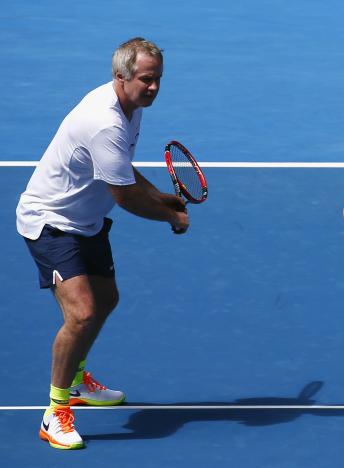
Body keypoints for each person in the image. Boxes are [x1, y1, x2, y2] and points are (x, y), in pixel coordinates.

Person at [16, 37, 189, 450]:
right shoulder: (104, 120)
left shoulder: (130, 108)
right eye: (147, 80)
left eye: (158, 80)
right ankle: (55, 412)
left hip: (86, 222)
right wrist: (169, 215)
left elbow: (121, 167)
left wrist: (162, 195)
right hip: (51, 222)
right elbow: (124, 195)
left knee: (106, 300)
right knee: (82, 313)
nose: (154, 88)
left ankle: (76, 382)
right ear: (121, 76)